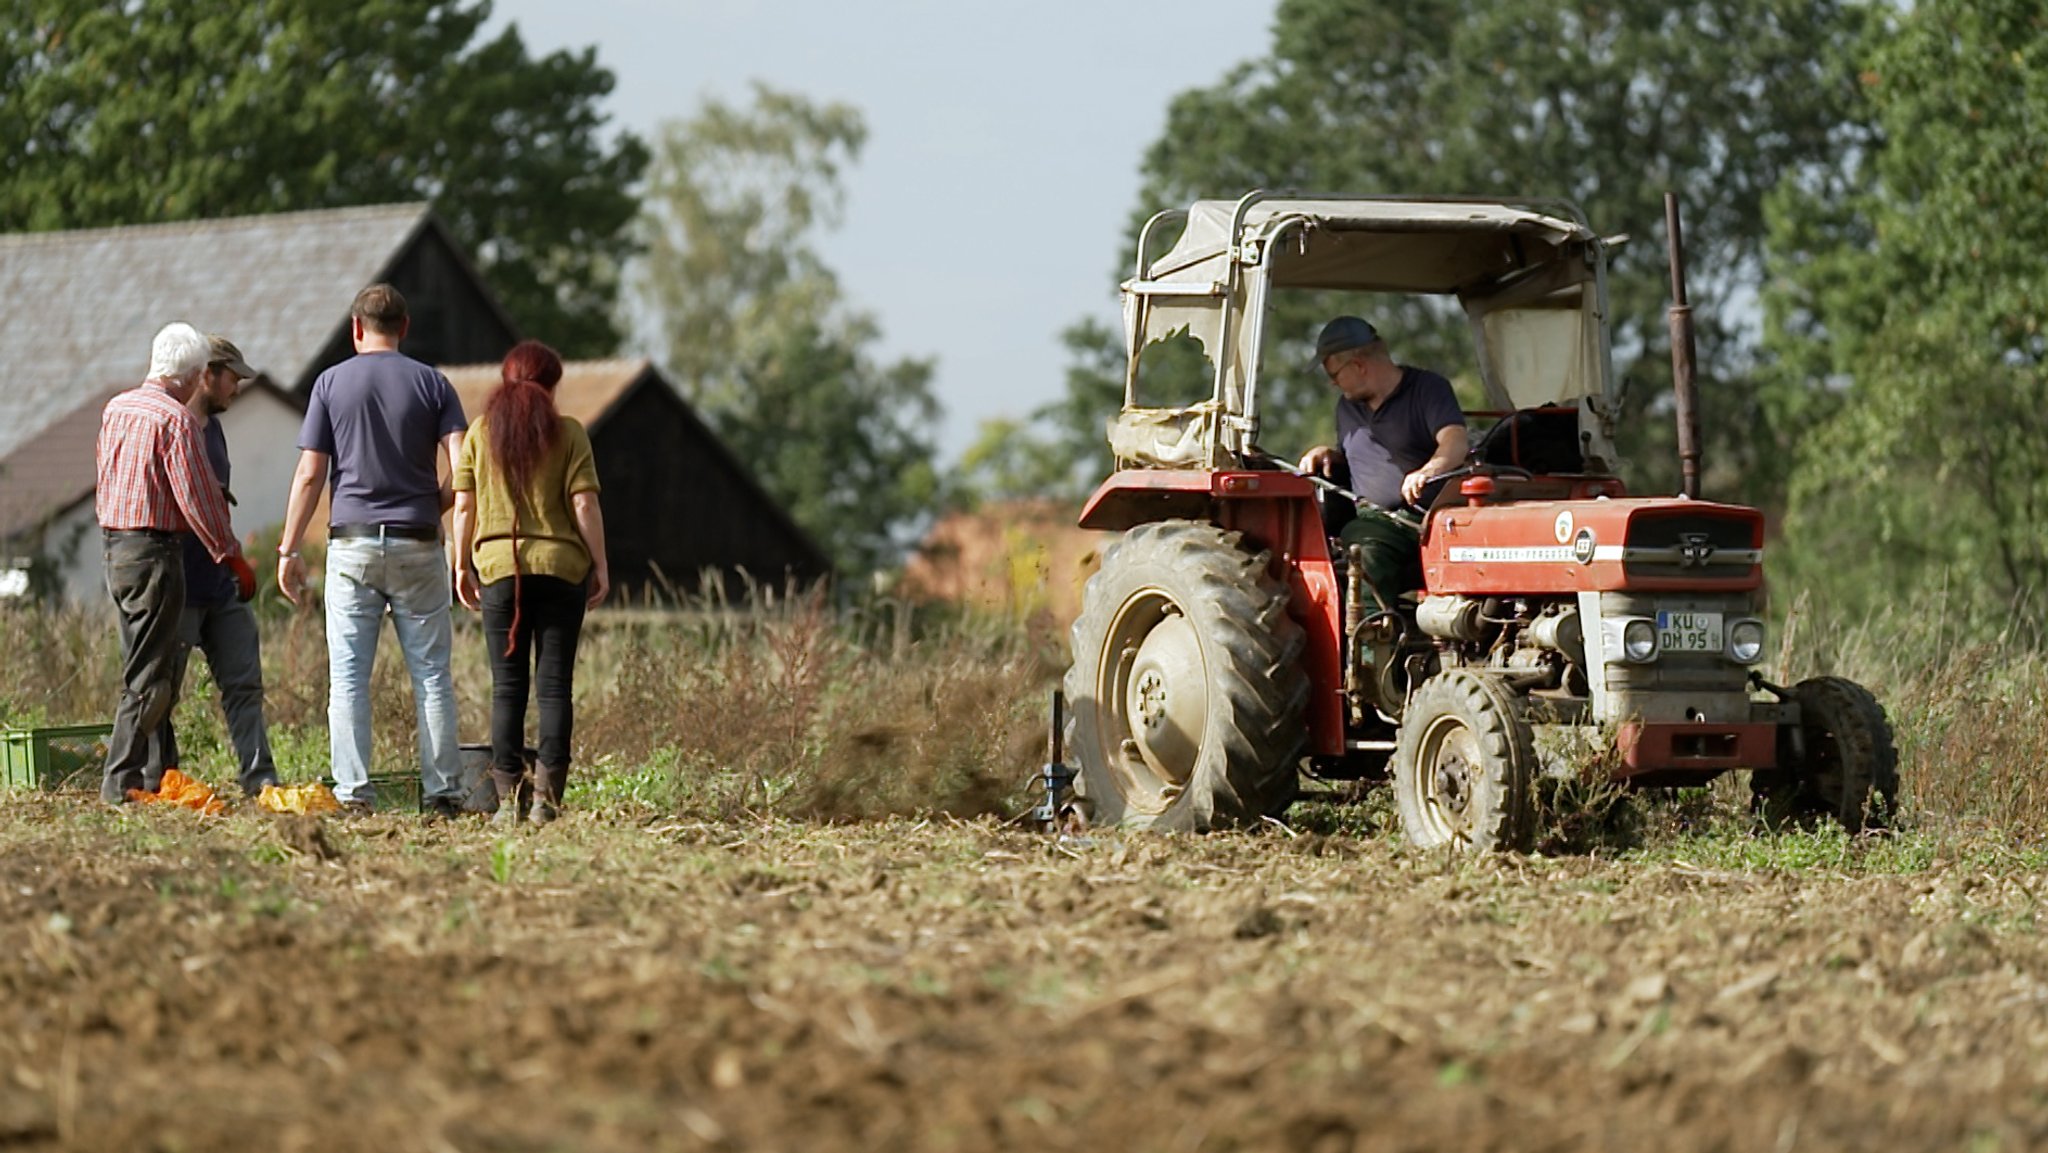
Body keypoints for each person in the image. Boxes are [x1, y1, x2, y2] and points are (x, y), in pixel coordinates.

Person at [276, 284, 467, 819]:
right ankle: (443, 795)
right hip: (418, 543)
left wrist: (289, 549)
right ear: (404, 328)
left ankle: (355, 795)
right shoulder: (434, 383)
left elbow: (311, 473)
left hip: (353, 545)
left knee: (349, 677)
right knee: (431, 675)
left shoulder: (331, 383)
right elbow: (465, 462)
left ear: (356, 328)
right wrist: (438, 503)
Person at [95, 322, 255, 806]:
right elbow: (198, 500)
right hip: (155, 554)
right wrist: (230, 554)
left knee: (144, 663)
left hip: (114, 549)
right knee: (148, 676)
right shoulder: (175, 420)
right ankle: (119, 781)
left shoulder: (116, 408)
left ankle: (154, 775)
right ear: (189, 375)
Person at [451, 340, 609, 827]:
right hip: (563, 571)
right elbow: (584, 505)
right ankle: (545, 803)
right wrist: (600, 565)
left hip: (500, 570)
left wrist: (460, 564)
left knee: (507, 688)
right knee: (555, 687)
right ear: (551, 387)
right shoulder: (570, 433)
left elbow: (463, 506)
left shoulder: (480, 433)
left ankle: (505, 805)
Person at [151, 336, 281, 799]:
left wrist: (231, 561)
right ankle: (159, 779)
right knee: (162, 691)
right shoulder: (171, 425)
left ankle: (259, 780)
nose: (238, 388)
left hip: (219, 585)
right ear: (207, 374)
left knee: (244, 683)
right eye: (234, 378)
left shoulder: (215, 432)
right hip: (180, 585)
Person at [1296, 316, 1469, 607]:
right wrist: (1328, 454)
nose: (1332, 383)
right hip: (1376, 522)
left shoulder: (1428, 389)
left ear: (1359, 365)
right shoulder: (1347, 408)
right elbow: (1357, 457)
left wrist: (1427, 471)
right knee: (1365, 555)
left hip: (1433, 517)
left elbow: (1455, 441)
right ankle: (1370, 646)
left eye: (1334, 374)